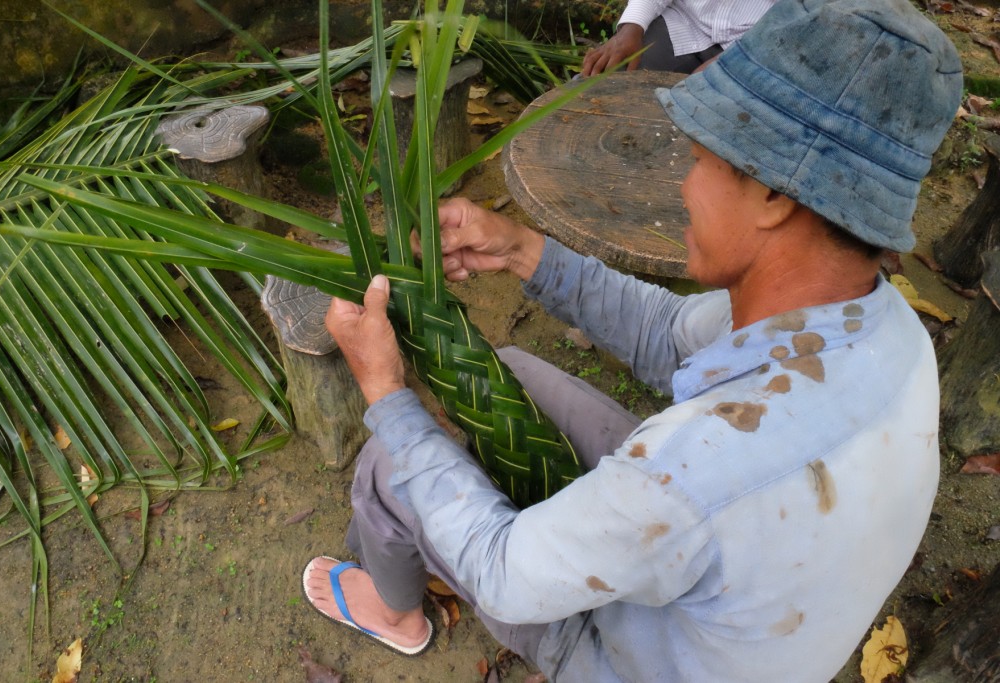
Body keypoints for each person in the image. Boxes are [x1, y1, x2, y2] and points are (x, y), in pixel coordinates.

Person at [302, 0, 963, 680]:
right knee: (512, 369)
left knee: (390, 458)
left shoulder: (689, 476)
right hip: (761, 615)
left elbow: (502, 571)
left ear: (774, 196)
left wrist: (384, 388)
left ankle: (395, 612)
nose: (683, 182)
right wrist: (523, 251)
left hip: (632, 657)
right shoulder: (888, 331)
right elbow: (670, 331)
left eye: (700, 159)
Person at [581, 0, 778, 76]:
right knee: (598, 84)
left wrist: (736, 59)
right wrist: (631, 28)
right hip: (681, 21)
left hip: (760, 47)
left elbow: (800, 20)